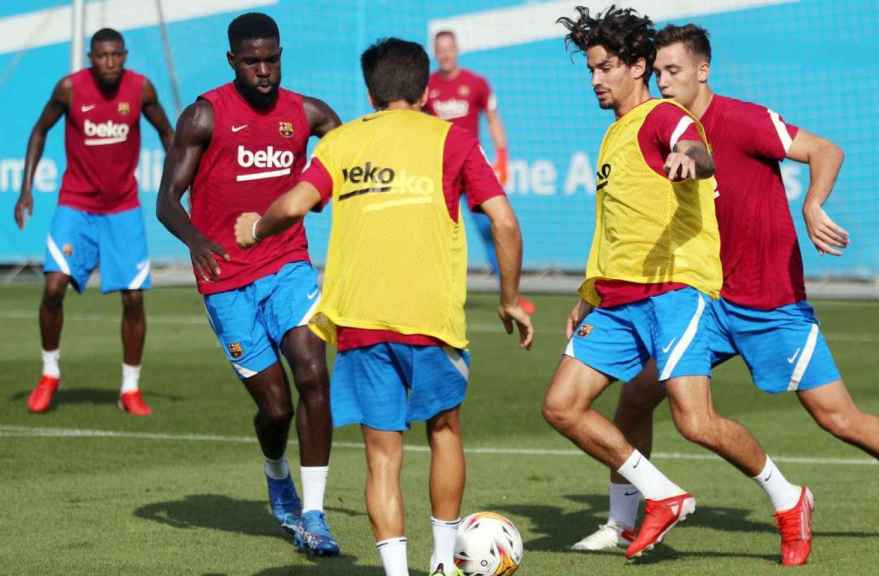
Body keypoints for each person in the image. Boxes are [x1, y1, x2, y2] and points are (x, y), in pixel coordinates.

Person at [570, 23, 879, 562]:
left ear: (703, 70)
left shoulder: (741, 121)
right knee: (636, 397)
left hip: (770, 302)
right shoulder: (652, 129)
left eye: (674, 70)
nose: (664, 80)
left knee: (840, 419)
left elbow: (825, 151)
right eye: (659, 72)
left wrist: (813, 205)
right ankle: (624, 521)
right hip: (705, 300)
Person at [233, 37, 534, 576]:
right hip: (432, 320)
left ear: (370, 92)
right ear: (425, 91)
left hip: (361, 321)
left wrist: (255, 226)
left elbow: (294, 205)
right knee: (444, 432)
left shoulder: (342, 143)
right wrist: (510, 299)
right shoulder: (453, 140)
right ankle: (444, 563)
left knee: (381, 453)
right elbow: (505, 222)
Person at [541, 5, 780, 562]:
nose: (596, 80)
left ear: (638, 65)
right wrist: (588, 292)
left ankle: (787, 496)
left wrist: (687, 158)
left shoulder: (660, 118)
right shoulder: (615, 135)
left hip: (675, 290)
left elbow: (696, 149)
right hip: (619, 298)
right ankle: (661, 496)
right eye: (591, 70)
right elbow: (616, 228)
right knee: (561, 406)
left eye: (605, 68)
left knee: (696, 422)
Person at [155, 12, 341, 555]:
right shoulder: (203, 116)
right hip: (226, 280)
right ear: (232, 61)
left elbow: (352, 156)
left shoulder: (307, 113)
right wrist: (195, 240)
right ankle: (276, 471)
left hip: (288, 264)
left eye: (272, 58)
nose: (264, 70)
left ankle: (313, 514)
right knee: (276, 408)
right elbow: (167, 199)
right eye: (252, 61)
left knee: (312, 372)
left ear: (281, 54)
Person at [14, 28, 174, 417]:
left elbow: (169, 133)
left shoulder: (141, 89)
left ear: (124, 55)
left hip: (122, 209)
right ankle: (50, 374)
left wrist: (176, 186)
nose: (109, 62)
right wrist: (25, 190)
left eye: (115, 55)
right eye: (101, 55)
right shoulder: (69, 89)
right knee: (53, 286)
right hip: (76, 206)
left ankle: (130, 389)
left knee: (133, 297)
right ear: (90, 57)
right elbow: (40, 130)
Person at [426, 30, 535, 315]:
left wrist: (501, 157)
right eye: (441, 49)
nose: (446, 54)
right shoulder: (427, 87)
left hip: (470, 169)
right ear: (435, 52)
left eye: (450, 48)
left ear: (457, 50)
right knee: (436, 233)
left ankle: (509, 294)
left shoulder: (476, 84)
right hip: (438, 172)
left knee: (492, 231)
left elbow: (493, 119)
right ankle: (435, 293)